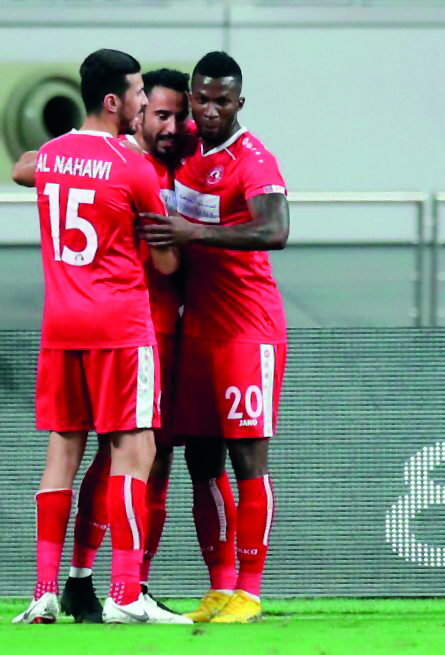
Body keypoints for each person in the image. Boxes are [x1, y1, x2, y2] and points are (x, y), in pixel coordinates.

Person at [11, 69, 196, 623]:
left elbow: (27, 167)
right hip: (119, 327)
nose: (144, 104)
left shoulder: (54, 154)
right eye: (139, 93)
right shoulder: (132, 166)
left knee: (62, 453)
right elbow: (166, 260)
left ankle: (43, 592)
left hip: (61, 326)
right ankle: (124, 594)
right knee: (134, 451)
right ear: (114, 100)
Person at [140, 50, 289, 624]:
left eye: (220, 101)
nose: (206, 111)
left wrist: (193, 231)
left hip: (248, 329)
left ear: (239, 103)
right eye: (199, 99)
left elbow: (275, 229)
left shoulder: (254, 159)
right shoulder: (186, 155)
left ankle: (250, 592)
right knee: (201, 462)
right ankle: (221, 585)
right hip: (196, 330)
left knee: (249, 460)